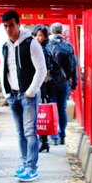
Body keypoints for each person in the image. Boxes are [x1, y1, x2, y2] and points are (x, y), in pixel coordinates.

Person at [0, 11, 47, 182]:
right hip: (13, 95)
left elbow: (41, 69)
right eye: (5, 26)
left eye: (11, 25)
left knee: (29, 132)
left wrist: (30, 92)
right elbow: (3, 69)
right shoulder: (6, 46)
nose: (8, 29)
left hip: (28, 95)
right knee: (20, 133)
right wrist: (6, 93)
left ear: (19, 24)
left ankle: (32, 168)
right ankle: (24, 164)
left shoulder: (31, 44)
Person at [32, 24, 67, 152]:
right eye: (35, 35)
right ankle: (45, 140)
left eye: (40, 35)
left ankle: (45, 140)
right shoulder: (39, 48)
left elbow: (45, 70)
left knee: (42, 113)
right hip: (42, 86)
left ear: (46, 36)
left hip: (44, 87)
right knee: (45, 113)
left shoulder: (44, 50)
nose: (37, 38)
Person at [47, 22, 78, 145]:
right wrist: (74, 83)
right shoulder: (69, 46)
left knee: (52, 109)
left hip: (51, 83)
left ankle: (54, 136)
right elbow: (74, 65)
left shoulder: (48, 45)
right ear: (61, 32)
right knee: (62, 109)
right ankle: (62, 135)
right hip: (64, 82)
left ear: (51, 32)